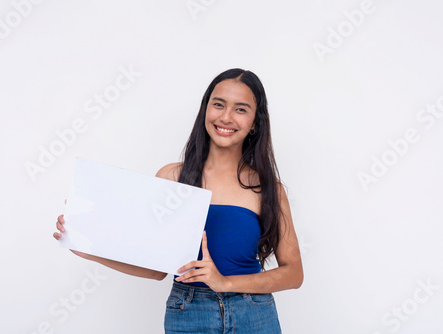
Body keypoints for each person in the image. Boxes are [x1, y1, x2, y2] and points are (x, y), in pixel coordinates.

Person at [54, 68, 303, 333]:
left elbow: (293, 273)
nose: (226, 117)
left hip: (253, 314)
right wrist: (90, 246)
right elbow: (155, 270)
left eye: (241, 109)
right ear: (205, 110)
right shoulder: (173, 177)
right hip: (189, 312)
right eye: (218, 105)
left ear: (255, 122)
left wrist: (225, 283)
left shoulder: (268, 189)